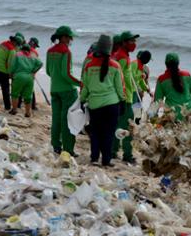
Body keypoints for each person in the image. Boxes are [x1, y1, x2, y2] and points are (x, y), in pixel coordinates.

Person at [81, 35, 125, 167]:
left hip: (95, 105)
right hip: (112, 105)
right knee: (108, 133)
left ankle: (94, 158)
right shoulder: (116, 66)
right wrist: (122, 102)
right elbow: (120, 87)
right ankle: (106, 160)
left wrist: (82, 100)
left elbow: (85, 87)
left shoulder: (89, 66)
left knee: (95, 132)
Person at [46, 25, 81, 155]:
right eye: (70, 37)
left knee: (56, 119)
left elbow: (49, 72)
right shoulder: (66, 51)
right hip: (67, 90)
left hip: (54, 88)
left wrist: (57, 80)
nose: (71, 39)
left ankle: (56, 145)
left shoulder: (50, 51)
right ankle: (68, 149)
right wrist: (80, 83)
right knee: (68, 120)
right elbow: (66, 74)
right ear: (64, 37)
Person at [112, 31, 140, 163]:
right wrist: (123, 96)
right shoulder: (122, 57)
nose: (134, 44)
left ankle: (113, 151)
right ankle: (127, 155)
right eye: (131, 41)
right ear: (123, 43)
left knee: (118, 124)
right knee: (129, 126)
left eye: (135, 41)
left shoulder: (121, 55)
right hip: (125, 97)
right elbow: (119, 78)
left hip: (121, 96)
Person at [154, 53, 191, 121]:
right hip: (189, 113)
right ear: (178, 63)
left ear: (166, 64)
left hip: (173, 115)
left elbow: (158, 102)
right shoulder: (186, 75)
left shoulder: (161, 79)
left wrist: (157, 118)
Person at [10, 44, 43, 117]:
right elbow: (40, 64)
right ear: (29, 50)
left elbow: (12, 66)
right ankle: (28, 112)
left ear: (22, 49)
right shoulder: (32, 56)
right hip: (29, 77)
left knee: (15, 94)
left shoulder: (17, 54)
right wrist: (34, 71)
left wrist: (10, 74)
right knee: (28, 96)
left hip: (19, 76)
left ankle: (14, 110)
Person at [0, 34, 22, 110]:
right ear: (14, 42)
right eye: (17, 45)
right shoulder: (12, 50)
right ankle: (7, 107)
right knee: (5, 89)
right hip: (2, 70)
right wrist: (10, 74)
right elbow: (9, 64)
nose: (17, 46)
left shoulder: (3, 43)